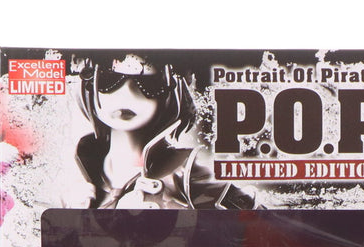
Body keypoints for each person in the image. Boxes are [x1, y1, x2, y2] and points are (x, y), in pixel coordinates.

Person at [72, 55, 254, 210]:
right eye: (109, 76)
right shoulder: (79, 174)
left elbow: (259, 224)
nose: (126, 92)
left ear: (173, 87)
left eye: (149, 80)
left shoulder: (186, 171)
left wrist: (172, 216)